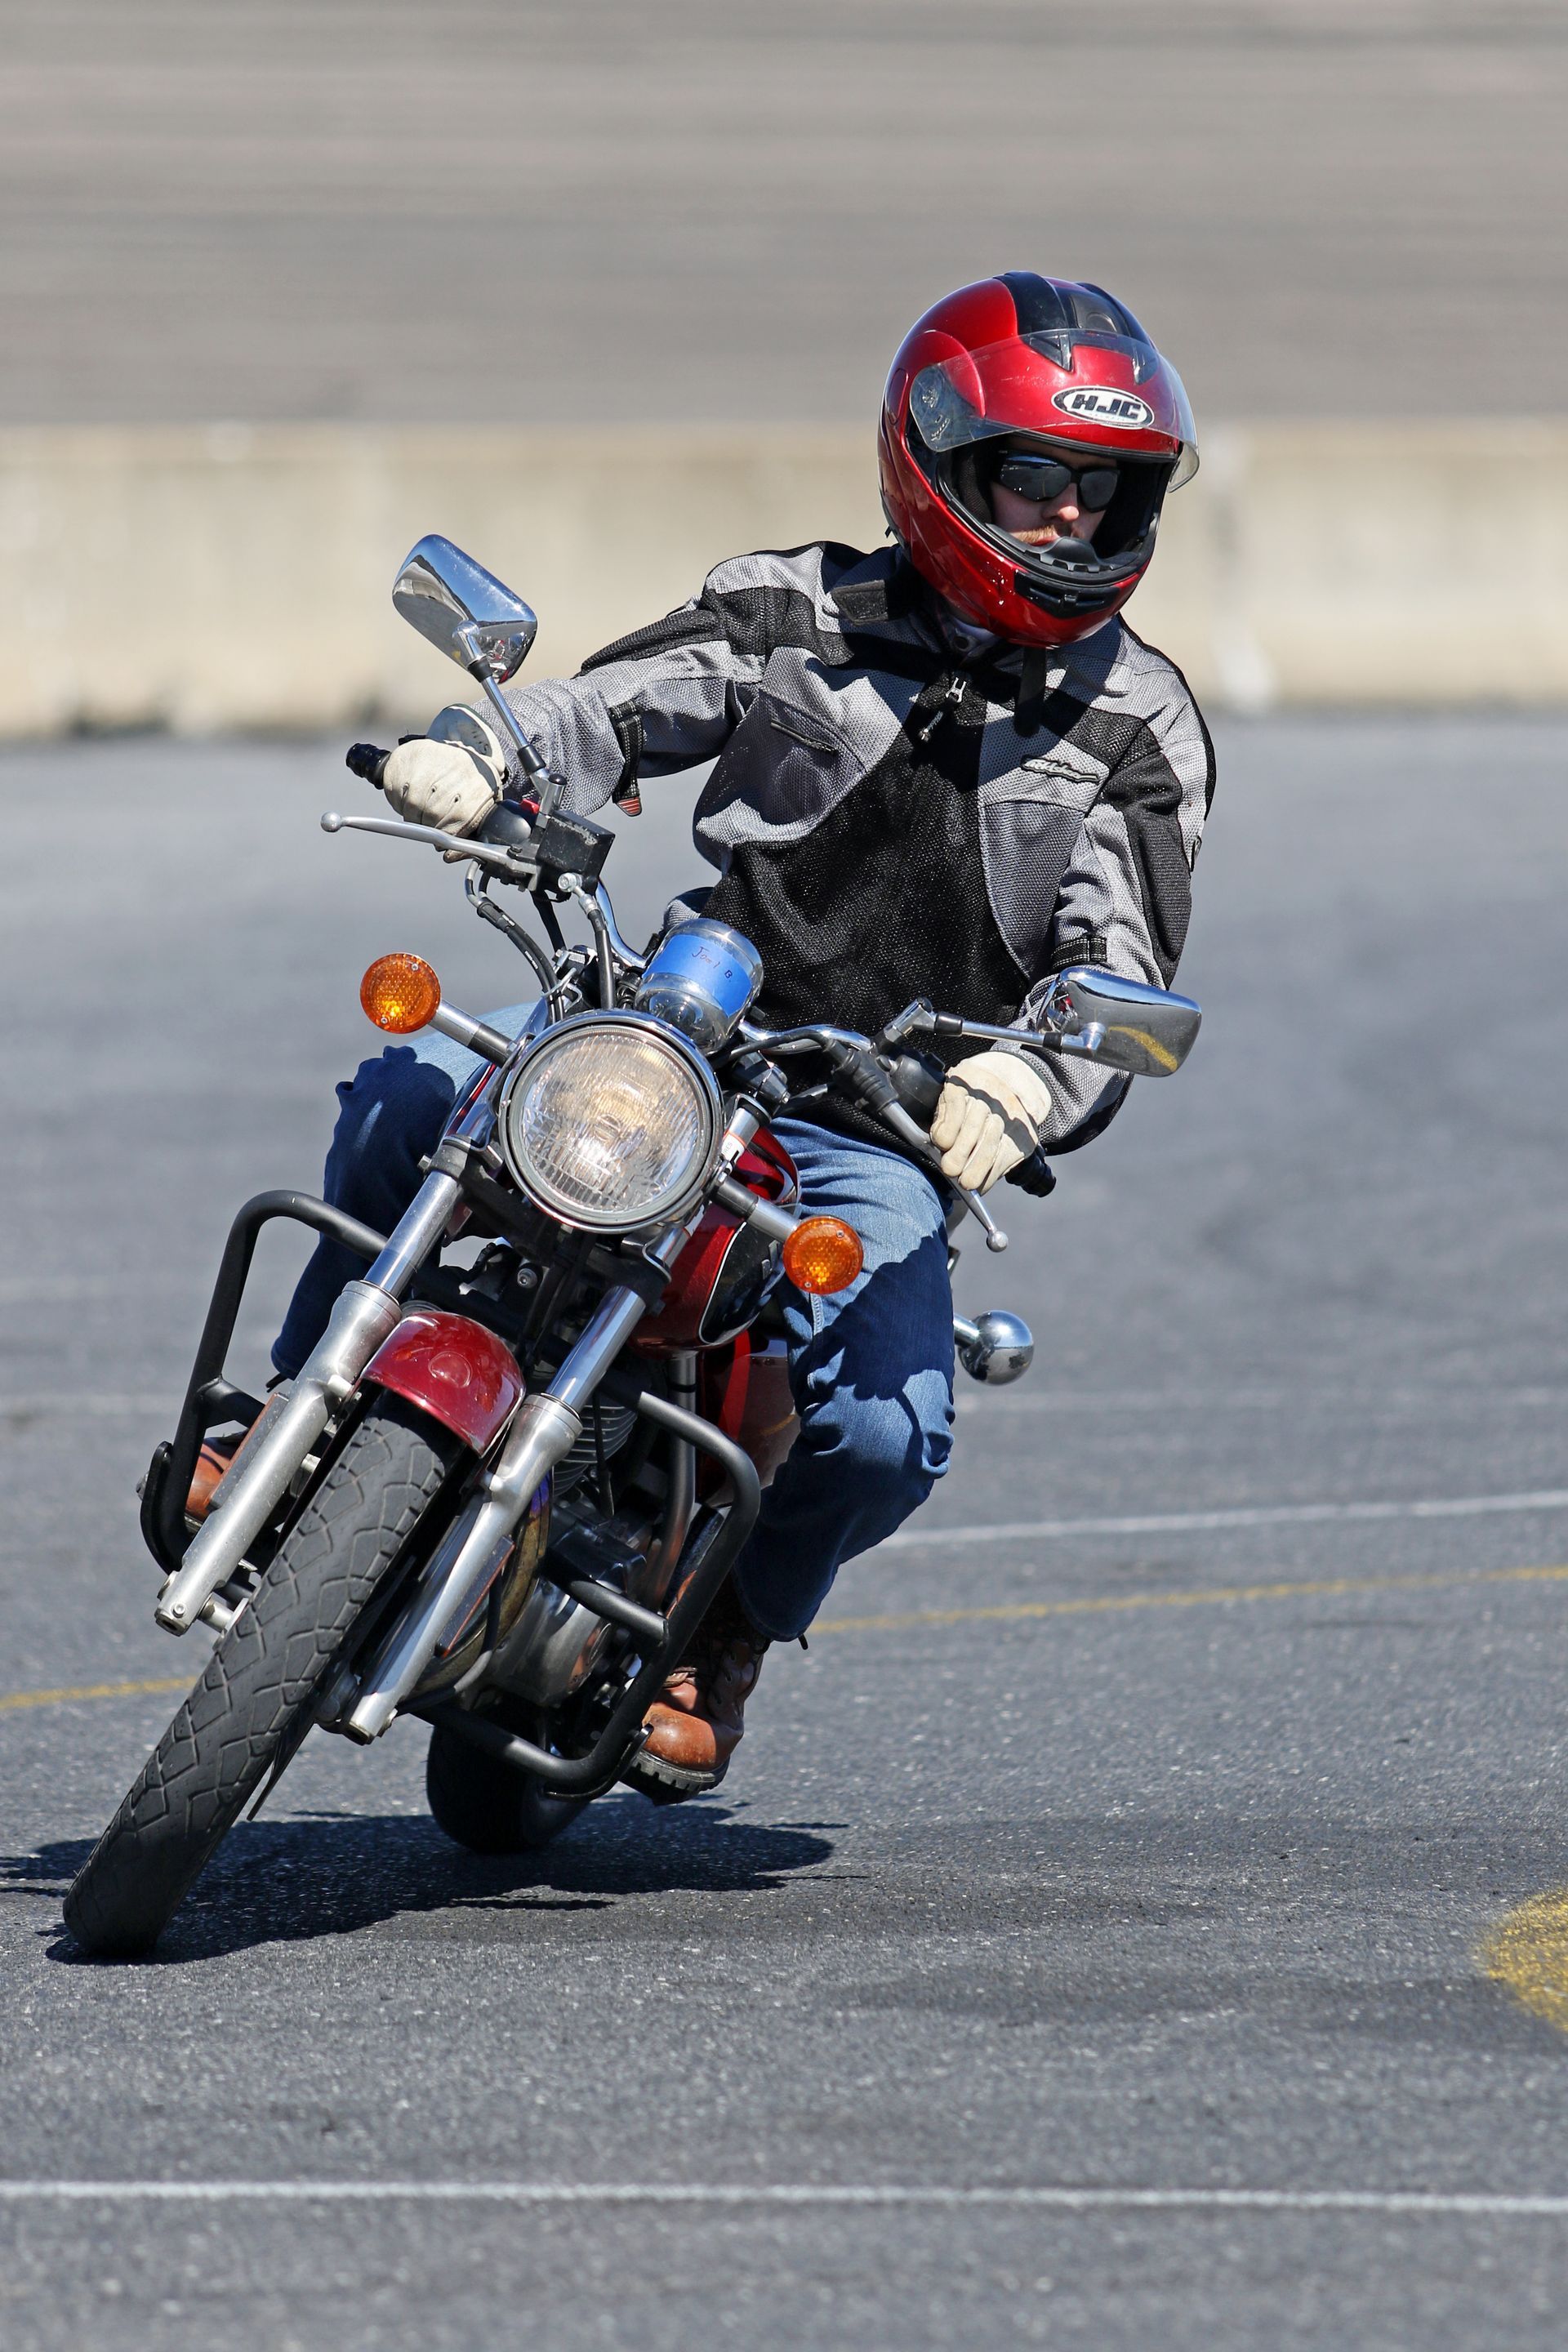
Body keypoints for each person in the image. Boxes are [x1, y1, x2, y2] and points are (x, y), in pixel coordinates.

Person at [255, 273, 1214, 1800]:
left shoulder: (1137, 727)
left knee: (891, 1428)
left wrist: (1030, 1078)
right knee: (405, 1091)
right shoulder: (791, 609)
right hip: (670, 1025)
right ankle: (291, 1423)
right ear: (942, 463)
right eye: (1036, 480)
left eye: (1104, 492)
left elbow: (1124, 962)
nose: (1070, 524)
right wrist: (476, 752)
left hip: (880, 1119)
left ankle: (724, 1639)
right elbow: (604, 713)